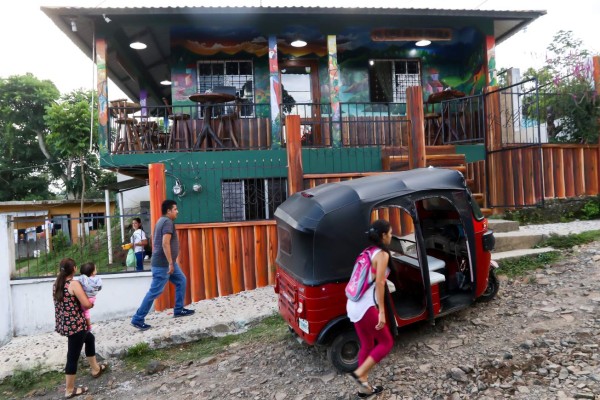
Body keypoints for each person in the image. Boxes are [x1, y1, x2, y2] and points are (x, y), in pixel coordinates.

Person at [346, 219, 394, 399]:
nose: (391, 236)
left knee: (367, 344)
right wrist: (381, 310)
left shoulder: (367, 251)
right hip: (365, 306)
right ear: (383, 236)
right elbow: (380, 282)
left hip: (352, 303)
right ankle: (359, 375)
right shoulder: (382, 255)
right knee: (386, 342)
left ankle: (364, 389)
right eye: (390, 234)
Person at [131, 199, 195, 330]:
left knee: (181, 280)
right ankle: (137, 319)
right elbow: (165, 243)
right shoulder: (167, 222)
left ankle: (178, 309)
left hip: (166, 263)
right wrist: (171, 263)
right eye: (175, 209)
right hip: (163, 264)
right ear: (169, 211)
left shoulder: (162, 221)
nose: (177, 211)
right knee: (154, 291)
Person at [53, 258, 107, 398]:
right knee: (72, 356)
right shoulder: (74, 284)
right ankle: (69, 390)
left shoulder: (56, 284)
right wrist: (91, 303)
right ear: (75, 269)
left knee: (90, 339)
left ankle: (95, 369)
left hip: (66, 324)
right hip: (77, 326)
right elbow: (86, 304)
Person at [78, 262, 102, 331]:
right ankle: (89, 328)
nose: (96, 271)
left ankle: (86, 326)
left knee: (84, 312)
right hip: (91, 298)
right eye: (95, 269)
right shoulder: (95, 279)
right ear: (92, 272)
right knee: (86, 313)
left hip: (83, 298)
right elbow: (100, 287)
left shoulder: (82, 279)